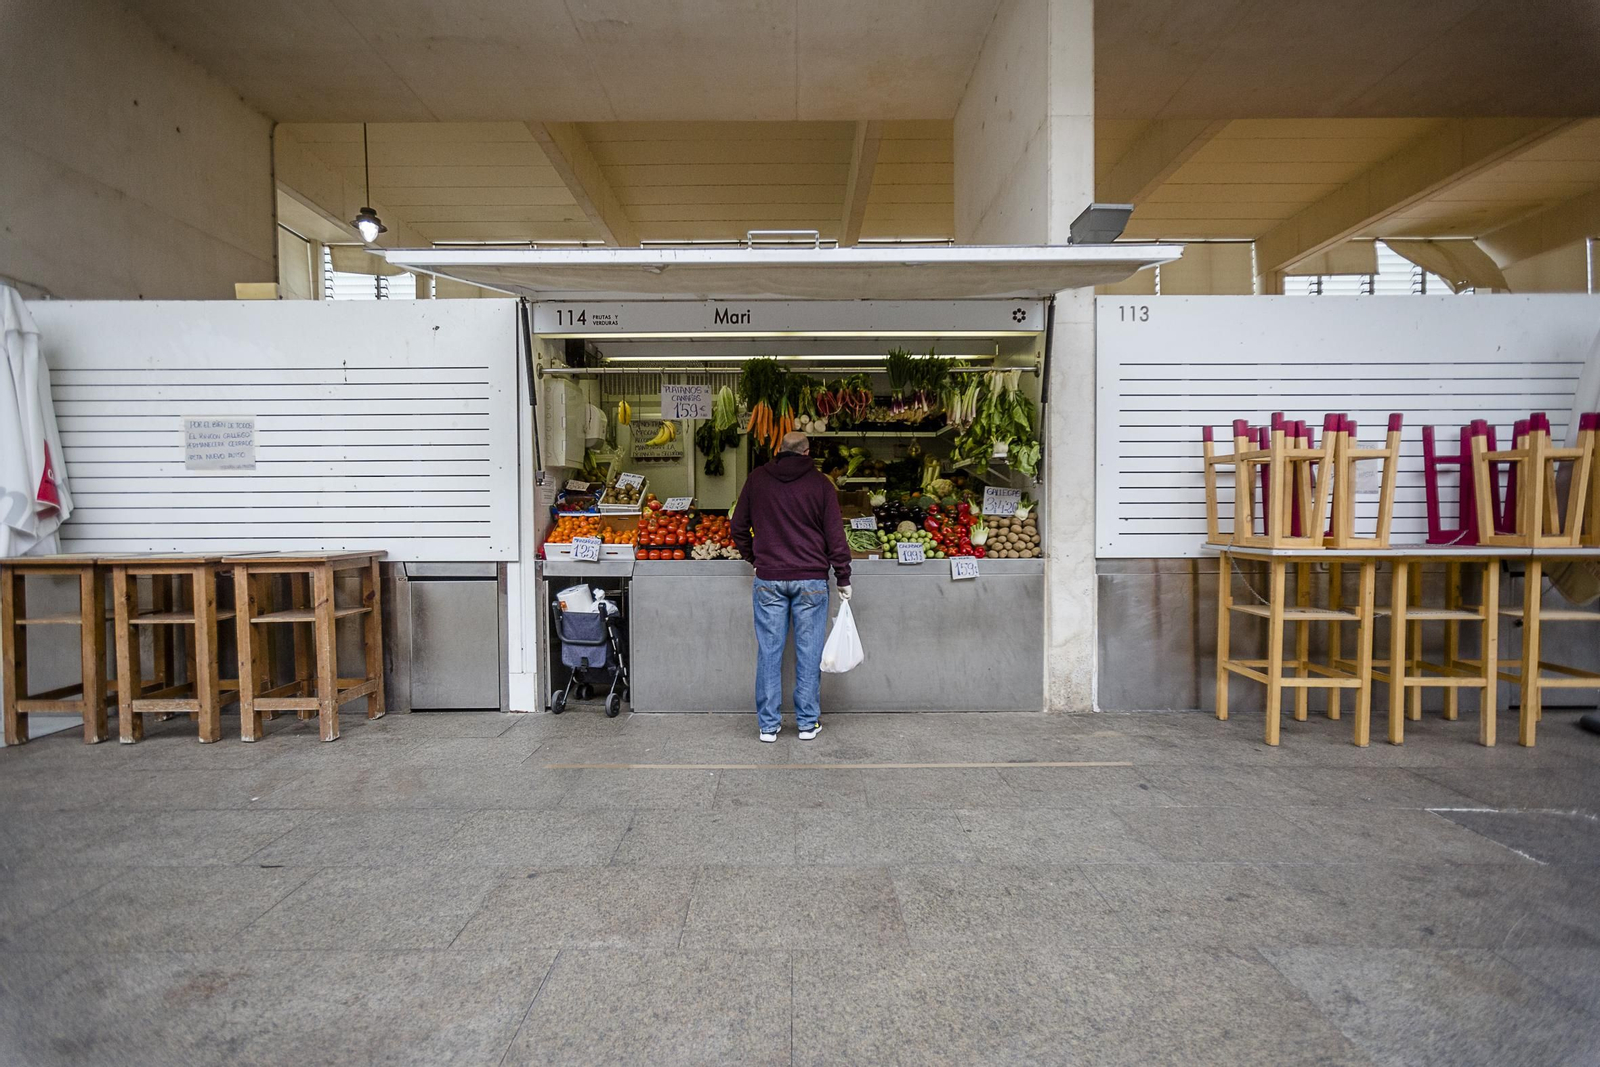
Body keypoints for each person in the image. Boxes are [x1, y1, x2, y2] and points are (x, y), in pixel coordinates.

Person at [731, 431, 852, 742]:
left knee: (769, 652)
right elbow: (835, 535)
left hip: (769, 578)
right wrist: (843, 576)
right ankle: (807, 723)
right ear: (807, 451)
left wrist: (754, 557)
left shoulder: (758, 479)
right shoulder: (821, 484)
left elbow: (738, 525)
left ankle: (768, 726)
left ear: (779, 450)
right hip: (811, 580)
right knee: (808, 652)